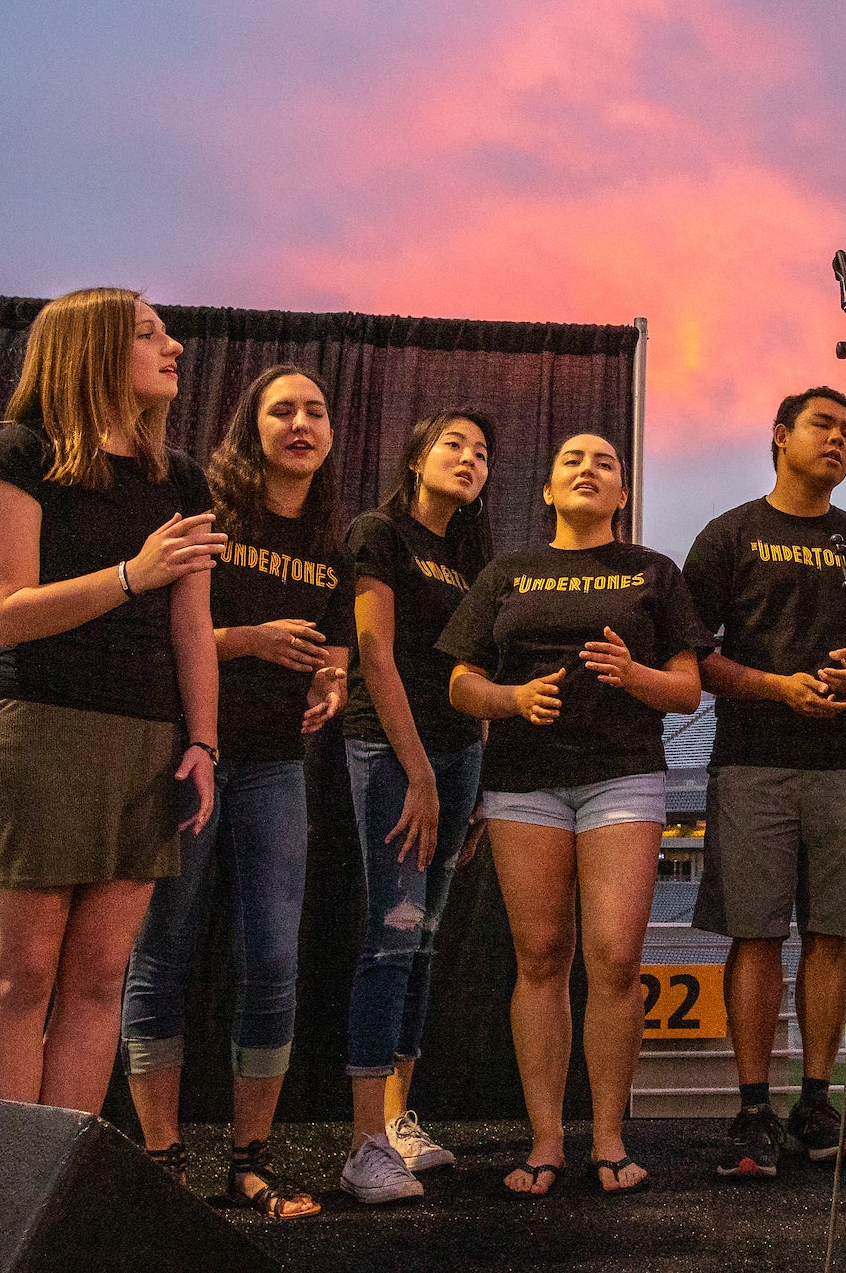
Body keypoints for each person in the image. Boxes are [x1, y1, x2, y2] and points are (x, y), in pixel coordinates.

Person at [0, 288, 221, 1118]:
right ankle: (0, 1177)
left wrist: (205, 743)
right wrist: (129, 575)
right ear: (92, 353)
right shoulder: (18, 454)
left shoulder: (178, 477)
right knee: (23, 972)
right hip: (39, 726)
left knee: (101, 975)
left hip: (146, 738)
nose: (172, 346)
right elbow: (7, 613)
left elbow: (192, 627)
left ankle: (59, 1172)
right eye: (149, 334)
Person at [438, 432, 710, 1197]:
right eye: (570, 462)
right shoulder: (508, 573)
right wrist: (512, 699)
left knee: (616, 958)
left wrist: (633, 674)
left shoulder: (655, 572)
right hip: (524, 781)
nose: (588, 469)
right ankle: (548, 1139)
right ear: (549, 491)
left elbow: (688, 689)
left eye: (606, 463)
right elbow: (460, 683)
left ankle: (611, 1137)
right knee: (540, 957)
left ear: (622, 493)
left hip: (621, 776)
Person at [117, 365, 348, 1216]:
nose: (299, 424)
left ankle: (250, 1161)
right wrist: (246, 639)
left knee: (274, 963)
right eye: (281, 410)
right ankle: (164, 1161)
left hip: (277, 766)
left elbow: (336, 653)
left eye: (315, 412)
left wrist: (332, 683)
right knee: (161, 953)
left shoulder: (333, 539)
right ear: (250, 427)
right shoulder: (208, 511)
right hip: (188, 756)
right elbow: (158, 631)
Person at [684, 387, 846, 1179]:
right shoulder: (730, 534)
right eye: (823, 425)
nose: (839, 439)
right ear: (780, 436)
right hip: (751, 761)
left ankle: (817, 1099)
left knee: (833, 936)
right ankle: (753, 1108)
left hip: (845, 766)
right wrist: (777, 686)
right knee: (754, 935)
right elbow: (694, 660)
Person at [337, 410, 496, 1204]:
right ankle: (364, 1143)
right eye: (453, 445)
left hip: (460, 756)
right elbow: (374, 653)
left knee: (425, 945)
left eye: (482, 453)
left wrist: (471, 780)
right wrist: (420, 772)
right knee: (390, 937)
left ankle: (399, 1122)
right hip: (394, 753)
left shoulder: (469, 559)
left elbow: (477, 668)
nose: (469, 459)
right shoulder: (380, 533)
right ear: (415, 455)